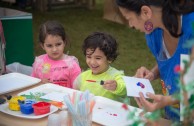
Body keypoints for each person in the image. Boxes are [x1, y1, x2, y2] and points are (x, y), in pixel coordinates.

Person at [116, 0, 194, 121]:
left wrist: (167, 100)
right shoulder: (154, 34)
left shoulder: (191, 28)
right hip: (175, 116)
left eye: (128, 18)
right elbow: (174, 60)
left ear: (145, 12)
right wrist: (152, 74)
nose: (131, 25)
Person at [73, 32, 127, 102]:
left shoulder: (115, 76)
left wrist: (116, 86)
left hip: (108, 112)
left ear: (109, 58)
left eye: (98, 58)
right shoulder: (83, 76)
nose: (92, 62)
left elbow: (124, 89)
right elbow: (74, 92)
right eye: (89, 57)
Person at [31, 20, 81, 88]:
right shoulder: (39, 62)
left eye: (58, 44)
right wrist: (40, 83)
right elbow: (32, 83)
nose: (54, 49)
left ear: (64, 42)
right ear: (42, 46)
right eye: (49, 46)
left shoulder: (71, 65)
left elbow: (78, 89)